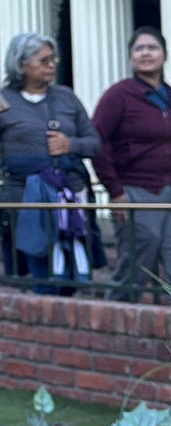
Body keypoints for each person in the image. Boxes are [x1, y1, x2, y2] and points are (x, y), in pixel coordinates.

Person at [0, 34, 100, 291]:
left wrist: (71, 145)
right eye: (44, 60)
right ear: (21, 65)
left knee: (70, 277)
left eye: (53, 59)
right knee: (38, 272)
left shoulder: (66, 97)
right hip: (23, 198)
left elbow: (94, 143)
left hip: (68, 195)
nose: (52, 65)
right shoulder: (0, 102)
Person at [92, 26, 171, 299]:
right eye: (139, 48)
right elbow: (96, 142)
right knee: (138, 261)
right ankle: (116, 314)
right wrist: (115, 191)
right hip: (135, 191)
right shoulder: (119, 95)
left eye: (153, 47)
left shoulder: (168, 95)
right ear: (131, 57)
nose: (146, 53)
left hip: (169, 190)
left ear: (164, 54)